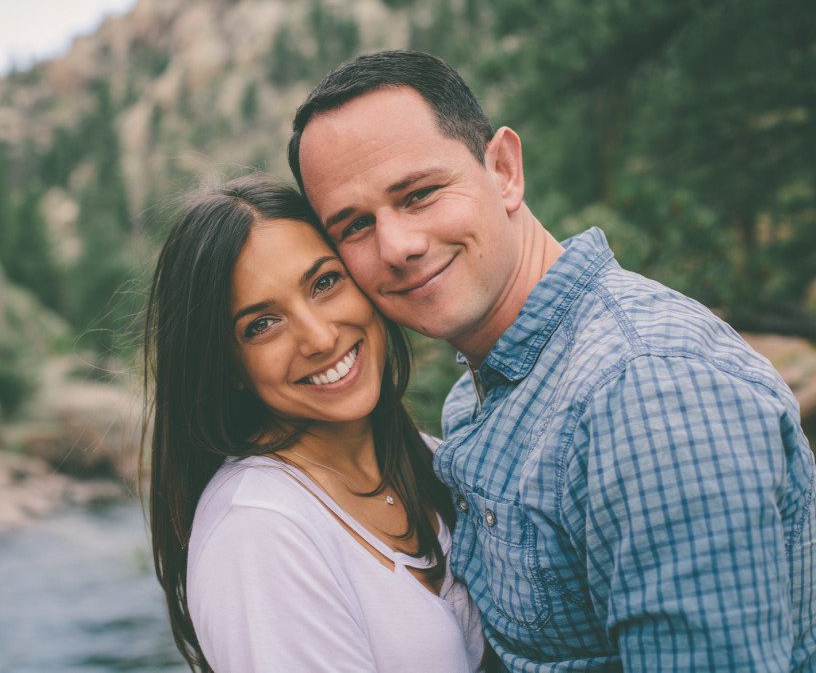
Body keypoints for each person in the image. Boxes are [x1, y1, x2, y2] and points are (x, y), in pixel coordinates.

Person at [287, 50, 816, 670]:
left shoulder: (646, 389)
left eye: (420, 194)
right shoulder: (482, 394)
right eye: (354, 226)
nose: (397, 246)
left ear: (505, 169)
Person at [145, 174, 486, 672]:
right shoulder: (258, 532)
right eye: (262, 324)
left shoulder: (435, 460)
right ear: (228, 367)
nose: (320, 338)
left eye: (324, 282)